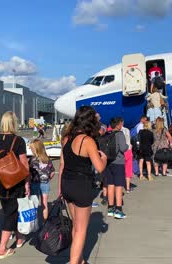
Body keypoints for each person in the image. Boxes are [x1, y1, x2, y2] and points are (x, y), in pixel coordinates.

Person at [59, 106, 107, 264]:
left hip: (67, 183)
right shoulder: (87, 141)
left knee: (75, 226)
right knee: (81, 230)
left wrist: (60, 188)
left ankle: (78, 259)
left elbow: (63, 164)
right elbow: (99, 167)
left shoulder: (67, 138)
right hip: (82, 186)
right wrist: (104, 158)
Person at [0, 111, 30, 259]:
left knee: (11, 210)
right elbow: (24, 162)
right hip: (15, 181)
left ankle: (19, 238)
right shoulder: (18, 140)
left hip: (1, 181)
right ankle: (2, 248)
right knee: (11, 214)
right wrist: (27, 182)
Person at [102, 117, 129, 219]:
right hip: (118, 162)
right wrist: (127, 146)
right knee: (118, 186)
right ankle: (118, 209)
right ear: (118, 125)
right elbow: (123, 148)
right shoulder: (120, 134)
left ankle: (110, 208)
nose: (122, 126)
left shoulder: (107, 134)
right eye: (121, 124)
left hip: (108, 162)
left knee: (110, 185)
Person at [29, 138, 55, 220]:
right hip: (45, 183)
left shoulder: (32, 160)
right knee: (44, 204)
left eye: (32, 149)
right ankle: (45, 223)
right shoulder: (47, 159)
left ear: (36, 149)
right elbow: (52, 172)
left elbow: (28, 173)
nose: (31, 151)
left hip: (34, 184)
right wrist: (49, 178)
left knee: (34, 204)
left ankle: (34, 222)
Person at [121, 125, 133, 193]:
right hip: (128, 151)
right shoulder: (127, 130)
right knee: (128, 169)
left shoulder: (116, 131)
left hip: (121, 152)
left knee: (120, 170)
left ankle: (120, 187)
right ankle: (128, 188)